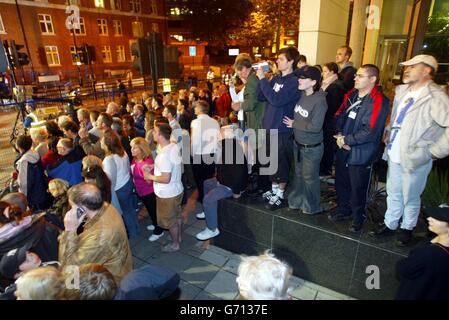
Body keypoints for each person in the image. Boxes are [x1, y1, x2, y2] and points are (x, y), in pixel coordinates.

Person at [370, 54, 449, 246]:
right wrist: (388, 130)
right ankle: (390, 224)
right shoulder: (403, 91)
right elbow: (398, 117)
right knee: (393, 191)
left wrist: (434, 152)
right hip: (395, 150)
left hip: (416, 155)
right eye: (407, 66)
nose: (407, 69)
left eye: (413, 66)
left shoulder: (436, 96)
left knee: (410, 195)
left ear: (427, 70)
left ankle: (407, 229)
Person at [329, 64, 389, 233]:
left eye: (360, 76)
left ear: (372, 79)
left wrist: (347, 140)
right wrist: (340, 136)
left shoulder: (378, 100)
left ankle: (358, 218)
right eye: (356, 75)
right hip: (343, 146)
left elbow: (371, 130)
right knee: (341, 182)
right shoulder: (351, 95)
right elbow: (338, 116)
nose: (355, 78)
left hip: (362, 151)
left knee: (358, 187)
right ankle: (344, 210)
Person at [58, 183, 133, 284]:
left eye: (72, 206)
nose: (70, 210)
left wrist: (69, 230)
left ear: (82, 209)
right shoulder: (106, 206)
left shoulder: (100, 238)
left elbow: (71, 270)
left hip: (112, 283)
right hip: (122, 268)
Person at [256, 47, 301, 210]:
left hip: (281, 129)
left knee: (281, 163)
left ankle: (280, 195)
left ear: (290, 62)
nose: (277, 61)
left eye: (281, 59)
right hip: (269, 126)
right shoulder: (276, 78)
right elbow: (262, 96)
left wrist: (263, 80)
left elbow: (276, 100)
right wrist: (264, 80)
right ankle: (274, 190)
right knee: (270, 162)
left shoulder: (293, 81)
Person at [283, 66, 327, 215]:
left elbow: (315, 127)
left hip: (311, 147)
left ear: (314, 81)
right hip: (299, 144)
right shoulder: (302, 95)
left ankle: (311, 207)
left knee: (310, 178)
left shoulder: (320, 100)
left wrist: (294, 124)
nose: (299, 80)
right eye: (299, 77)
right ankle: (296, 201)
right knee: (299, 175)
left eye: (303, 78)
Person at [195, 126, 248, 240]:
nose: (218, 134)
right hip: (224, 180)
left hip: (230, 185)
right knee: (207, 183)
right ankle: (207, 211)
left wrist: (236, 191)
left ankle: (212, 229)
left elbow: (239, 172)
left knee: (208, 199)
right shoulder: (226, 145)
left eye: (220, 132)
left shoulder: (231, 148)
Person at [143, 123, 183, 253]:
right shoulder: (173, 146)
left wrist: (149, 176)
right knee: (176, 216)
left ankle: (175, 244)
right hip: (177, 189)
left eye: (154, 131)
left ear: (160, 135)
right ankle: (179, 237)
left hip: (167, 194)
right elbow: (170, 166)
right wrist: (154, 167)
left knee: (170, 221)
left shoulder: (163, 155)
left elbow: (166, 178)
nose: (152, 133)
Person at [232, 54, 268, 194]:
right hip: (258, 122)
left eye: (239, 71)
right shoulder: (253, 79)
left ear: (244, 69)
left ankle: (261, 186)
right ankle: (262, 185)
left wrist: (238, 105)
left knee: (259, 156)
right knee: (259, 155)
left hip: (257, 124)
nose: (238, 74)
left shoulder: (252, 81)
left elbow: (251, 103)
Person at [395, 206, 449, 300]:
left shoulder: (428, 254)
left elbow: (403, 269)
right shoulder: (434, 248)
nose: (429, 219)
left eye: (437, 218)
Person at [101, 130, 138, 239]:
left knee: (125, 212)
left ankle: (133, 233)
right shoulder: (122, 151)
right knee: (130, 209)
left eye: (102, 142)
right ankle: (135, 228)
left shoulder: (109, 159)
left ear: (108, 144)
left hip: (120, 189)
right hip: (127, 183)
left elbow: (110, 180)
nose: (101, 143)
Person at [130, 137, 164, 242]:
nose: (132, 150)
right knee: (150, 210)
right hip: (141, 191)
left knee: (154, 211)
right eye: (132, 147)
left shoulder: (146, 162)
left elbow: (150, 181)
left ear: (141, 149)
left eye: (135, 148)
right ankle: (155, 224)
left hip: (149, 192)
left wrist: (146, 173)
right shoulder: (135, 159)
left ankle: (159, 231)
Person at [190, 100, 220, 204]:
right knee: (209, 179)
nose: (194, 109)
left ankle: (203, 199)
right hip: (211, 154)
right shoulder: (214, 121)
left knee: (199, 179)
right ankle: (208, 198)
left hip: (199, 154)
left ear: (201, 109)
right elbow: (218, 139)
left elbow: (194, 140)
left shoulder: (195, 122)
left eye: (196, 107)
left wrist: (192, 154)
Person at [320, 62, 346, 176]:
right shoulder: (325, 84)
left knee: (328, 145)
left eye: (325, 71)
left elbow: (333, 106)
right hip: (325, 119)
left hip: (330, 120)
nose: (323, 74)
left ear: (332, 72)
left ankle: (326, 169)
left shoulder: (336, 86)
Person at [13, 135, 51, 210]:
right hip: (41, 188)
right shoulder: (35, 153)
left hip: (34, 195)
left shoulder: (24, 161)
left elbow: (24, 183)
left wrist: (22, 197)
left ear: (18, 146)